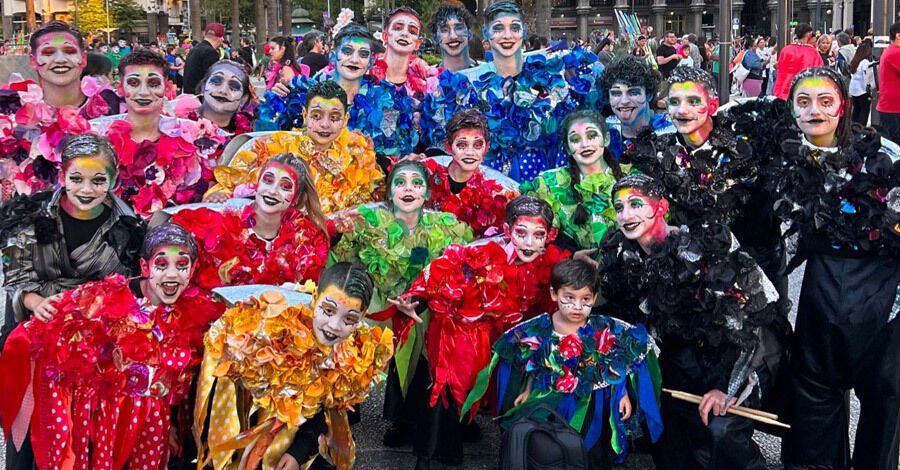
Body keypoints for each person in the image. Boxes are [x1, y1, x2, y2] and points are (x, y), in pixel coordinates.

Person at [0, 222, 223, 470]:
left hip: (153, 424)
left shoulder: (195, 312)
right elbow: (44, 332)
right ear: (144, 266)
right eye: (161, 265)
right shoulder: (102, 298)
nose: (172, 274)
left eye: (181, 266)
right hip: (106, 425)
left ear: (191, 270)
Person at [596, 174, 782, 470]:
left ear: (661, 207)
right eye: (619, 208)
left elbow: (751, 322)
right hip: (683, 360)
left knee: (721, 431)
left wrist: (727, 388)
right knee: (672, 450)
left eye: (635, 204)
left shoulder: (703, 250)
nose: (626, 215)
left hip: (742, 351)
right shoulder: (621, 252)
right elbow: (620, 313)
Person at [375, 196, 569, 469]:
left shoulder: (547, 264)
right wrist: (416, 299)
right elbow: (440, 272)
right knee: (446, 386)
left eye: (538, 235)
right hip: (459, 329)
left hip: (499, 333)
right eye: (521, 233)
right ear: (507, 231)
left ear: (549, 236)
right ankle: (429, 456)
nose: (529, 242)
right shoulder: (482, 253)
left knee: (487, 383)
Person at [776, 66, 900, 470]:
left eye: (825, 101)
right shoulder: (785, 161)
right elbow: (784, 237)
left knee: (884, 401)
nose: (815, 111)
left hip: (883, 301)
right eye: (804, 102)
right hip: (822, 296)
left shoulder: (885, 157)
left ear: (843, 105)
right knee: (814, 399)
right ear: (792, 110)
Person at [0, 136, 146, 470]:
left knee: (84, 434)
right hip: (35, 328)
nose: (86, 188)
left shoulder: (128, 226)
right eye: (76, 178)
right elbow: (12, 270)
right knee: (32, 433)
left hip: (92, 341)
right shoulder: (30, 213)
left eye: (98, 180)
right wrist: (35, 301)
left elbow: (129, 287)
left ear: (113, 180)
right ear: (62, 175)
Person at [461, 259, 663, 470]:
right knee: (549, 449)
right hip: (549, 402)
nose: (577, 306)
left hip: (593, 406)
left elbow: (618, 363)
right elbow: (533, 362)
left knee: (589, 452)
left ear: (594, 298)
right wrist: (528, 390)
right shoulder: (540, 329)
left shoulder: (604, 330)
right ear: (554, 294)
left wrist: (622, 395)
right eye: (569, 297)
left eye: (585, 299)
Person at [629, 67, 789, 310]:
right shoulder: (659, 154)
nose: (682, 110)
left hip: (759, 263)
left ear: (712, 106)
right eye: (674, 102)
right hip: (699, 275)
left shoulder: (747, 145)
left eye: (693, 101)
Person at [212, 80, 383, 213]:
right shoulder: (274, 147)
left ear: (345, 120)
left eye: (334, 117)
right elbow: (229, 186)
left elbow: (374, 200)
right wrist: (219, 195)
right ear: (304, 115)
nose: (325, 124)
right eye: (316, 115)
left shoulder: (357, 153)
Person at [172, 153, 329, 291]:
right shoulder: (220, 223)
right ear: (258, 184)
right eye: (268, 181)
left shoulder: (309, 238)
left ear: (297, 198)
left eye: (285, 186)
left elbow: (308, 292)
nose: (272, 191)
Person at [0, 21, 121, 199]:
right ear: (33, 61)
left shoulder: (113, 108)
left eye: (69, 51)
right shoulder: (9, 115)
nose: (60, 59)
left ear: (84, 59)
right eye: (48, 52)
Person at [331, 159, 473, 309]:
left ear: (427, 194)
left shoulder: (447, 228)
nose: (408, 189)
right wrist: (335, 231)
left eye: (417, 183)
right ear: (390, 193)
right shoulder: (365, 221)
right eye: (400, 183)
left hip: (419, 319)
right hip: (369, 314)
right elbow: (336, 261)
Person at [522, 110, 622, 251]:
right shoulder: (550, 183)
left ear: (606, 139)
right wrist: (573, 256)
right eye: (575, 140)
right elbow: (541, 235)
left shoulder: (630, 177)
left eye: (591, 136)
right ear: (568, 148)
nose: (584, 144)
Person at [423, 108, 518, 237]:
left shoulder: (495, 195)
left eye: (477, 145)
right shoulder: (426, 175)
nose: (470, 152)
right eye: (462, 145)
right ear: (448, 146)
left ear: (486, 148)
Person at [599, 55, 673, 160]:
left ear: (649, 94)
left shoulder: (670, 132)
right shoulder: (601, 136)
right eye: (616, 93)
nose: (624, 101)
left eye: (633, 92)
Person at [772, 23, 824, 100]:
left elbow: (779, 67)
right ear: (807, 34)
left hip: (784, 90)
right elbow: (819, 70)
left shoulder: (786, 50)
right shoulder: (812, 52)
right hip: (804, 91)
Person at [429, 1, 478, 72]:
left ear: (469, 33)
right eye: (445, 30)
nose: (453, 36)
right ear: (435, 38)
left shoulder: (488, 73)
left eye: (459, 28)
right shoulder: (427, 77)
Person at [183, 22, 225, 94]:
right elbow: (213, 79)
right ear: (220, 38)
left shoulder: (194, 50)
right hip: (201, 97)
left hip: (190, 96)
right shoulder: (210, 52)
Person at [877, 22, 900, 143]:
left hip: (891, 107)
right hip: (894, 108)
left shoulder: (890, 51)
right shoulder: (896, 52)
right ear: (898, 36)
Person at [849, 39, 875, 126]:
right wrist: (869, 88)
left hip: (854, 90)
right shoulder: (865, 63)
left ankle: (854, 128)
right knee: (864, 112)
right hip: (862, 90)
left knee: (856, 110)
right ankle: (861, 129)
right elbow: (867, 77)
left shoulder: (855, 61)